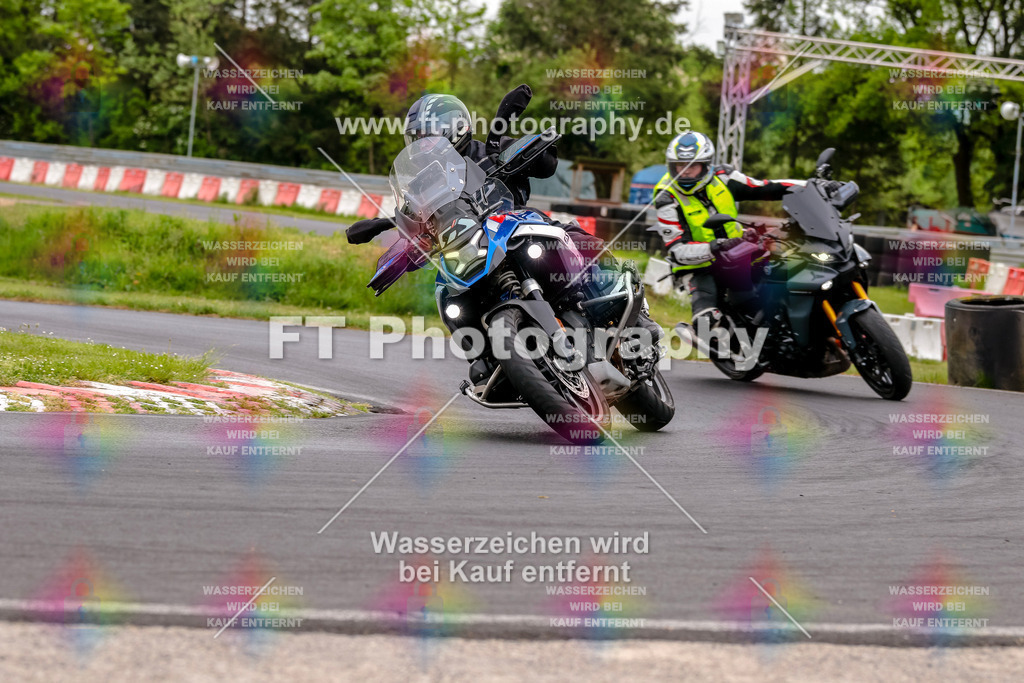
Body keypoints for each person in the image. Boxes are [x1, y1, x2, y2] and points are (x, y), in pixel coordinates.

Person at [345, 87, 557, 245]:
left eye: (428, 134)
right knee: (447, 293)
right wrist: (388, 227)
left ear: (455, 127)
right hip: (470, 251)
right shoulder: (422, 183)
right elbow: (412, 229)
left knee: (568, 238)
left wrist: (515, 158)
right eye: (417, 137)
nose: (422, 143)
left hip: (519, 229)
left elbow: (547, 166)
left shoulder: (492, 150)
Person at [649, 131, 805, 326]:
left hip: (739, 254)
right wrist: (715, 246)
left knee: (783, 282)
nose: (685, 171)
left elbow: (766, 187)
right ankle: (726, 348)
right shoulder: (666, 196)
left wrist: (811, 185)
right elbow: (677, 250)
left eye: (692, 166)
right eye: (680, 165)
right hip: (699, 267)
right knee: (705, 322)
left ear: (706, 165)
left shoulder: (723, 177)